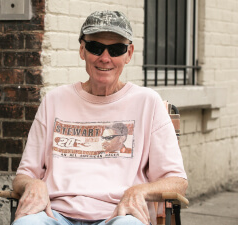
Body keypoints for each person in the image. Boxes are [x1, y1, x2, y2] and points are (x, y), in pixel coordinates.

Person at [11, 10, 188, 225]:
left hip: (118, 215)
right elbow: (23, 175)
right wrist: (31, 184)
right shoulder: (54, 101)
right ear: (82, 50)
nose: (105, 58)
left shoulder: (148, 103)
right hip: (54, 215)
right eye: (95, 48)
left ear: (129, 53)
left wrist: (139, 191)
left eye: (116, 49)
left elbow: (177, 182)